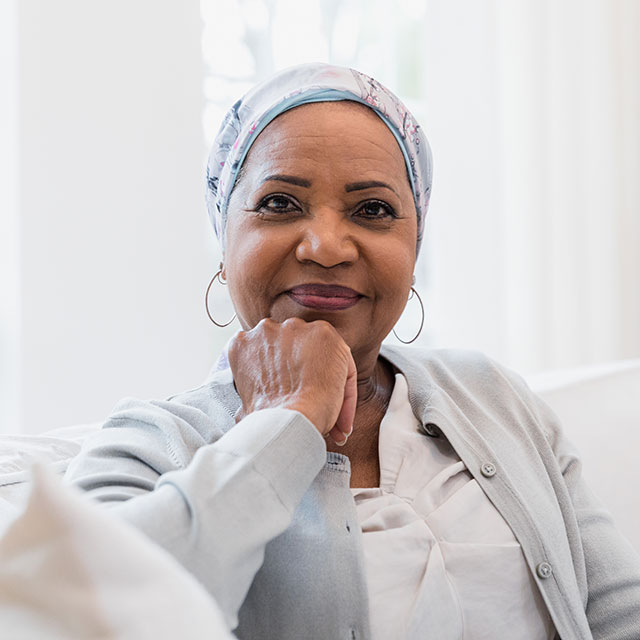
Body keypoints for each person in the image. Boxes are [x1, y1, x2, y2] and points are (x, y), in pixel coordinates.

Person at [65, 63, 640, 639]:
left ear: (415, 246)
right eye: (280, 203)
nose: (326, 247)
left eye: (373, 210)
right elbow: (94, 616)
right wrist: (284, 421)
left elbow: (617, 613)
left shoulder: (494, 396)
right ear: (223, 237)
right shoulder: (145, 444)